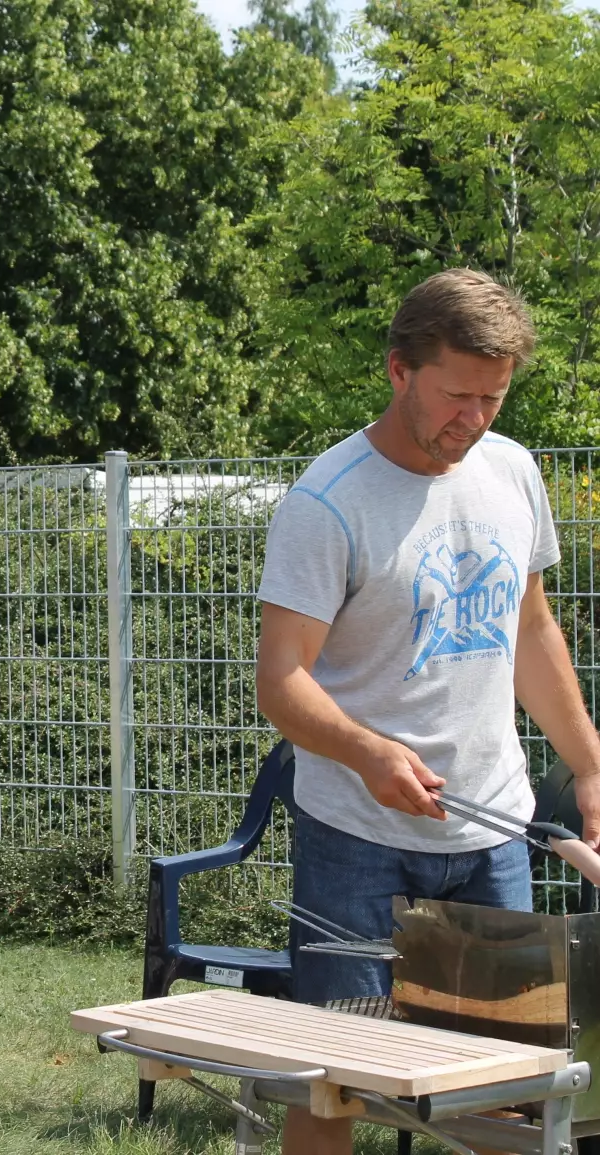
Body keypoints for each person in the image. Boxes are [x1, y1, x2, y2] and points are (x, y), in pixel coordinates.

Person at [255, 268, 600, 1154]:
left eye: (493, 398)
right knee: (333, 1074)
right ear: (399, 370)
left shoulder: (513, 471)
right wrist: (368, 750)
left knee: (510, 1078)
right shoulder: (326, 501)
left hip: (492, 835)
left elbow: (530, 629)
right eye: (458, 396)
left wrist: (590, 763)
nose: (475, 420)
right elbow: (281, 681)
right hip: (356, 839)